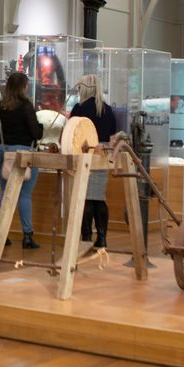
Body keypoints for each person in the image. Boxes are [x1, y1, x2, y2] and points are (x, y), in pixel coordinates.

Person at [68, 73, 119, 250]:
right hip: (102, 155)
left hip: (82, 154)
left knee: (85, 198)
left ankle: (86, 237)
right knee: (98, 197)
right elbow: (113, 135)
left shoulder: (79, 108)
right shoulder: (108, 110)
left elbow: (72, 133)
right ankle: (102, 238)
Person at [0, 72, 43, 250]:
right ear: (23, 87)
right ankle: (27, 236)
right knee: (24, 195)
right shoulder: (26, 106)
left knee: (5, 193)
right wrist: (41, 127)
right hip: (23, 155)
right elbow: (35, 133)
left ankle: (2, 233)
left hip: (4, 152)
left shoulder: (2, 105)